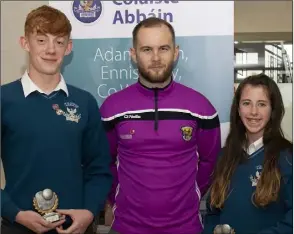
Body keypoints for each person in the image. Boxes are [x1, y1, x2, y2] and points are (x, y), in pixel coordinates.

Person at [100, 17, 221, 234]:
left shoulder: (201, 107)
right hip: (127, 227)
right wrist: (118, 199)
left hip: (185, 227)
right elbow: (103, 162)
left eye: (163, 48)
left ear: (175, 52)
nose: (156, 58)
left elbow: (210, 162)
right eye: (147, 49)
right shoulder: (112, 108)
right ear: (133, 54)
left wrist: (186, 197)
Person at [1, 5, 112, 234]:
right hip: (17, 227)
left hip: (76, 229)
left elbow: (100, 169)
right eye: (41, 40)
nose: (51, 49)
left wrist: (90, 211)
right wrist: (14, 212)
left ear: (68, 47)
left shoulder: (85, 102)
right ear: (25, 43)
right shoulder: (4, 99)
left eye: (59, 42)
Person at [203, 74, 293, 234]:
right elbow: (212, 212)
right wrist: (214, 230)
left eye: (262, 104)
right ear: (238, 109)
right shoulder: (225, 156)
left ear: (273, 109)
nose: (253, 112)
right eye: (246, 103)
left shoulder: (288, 157)